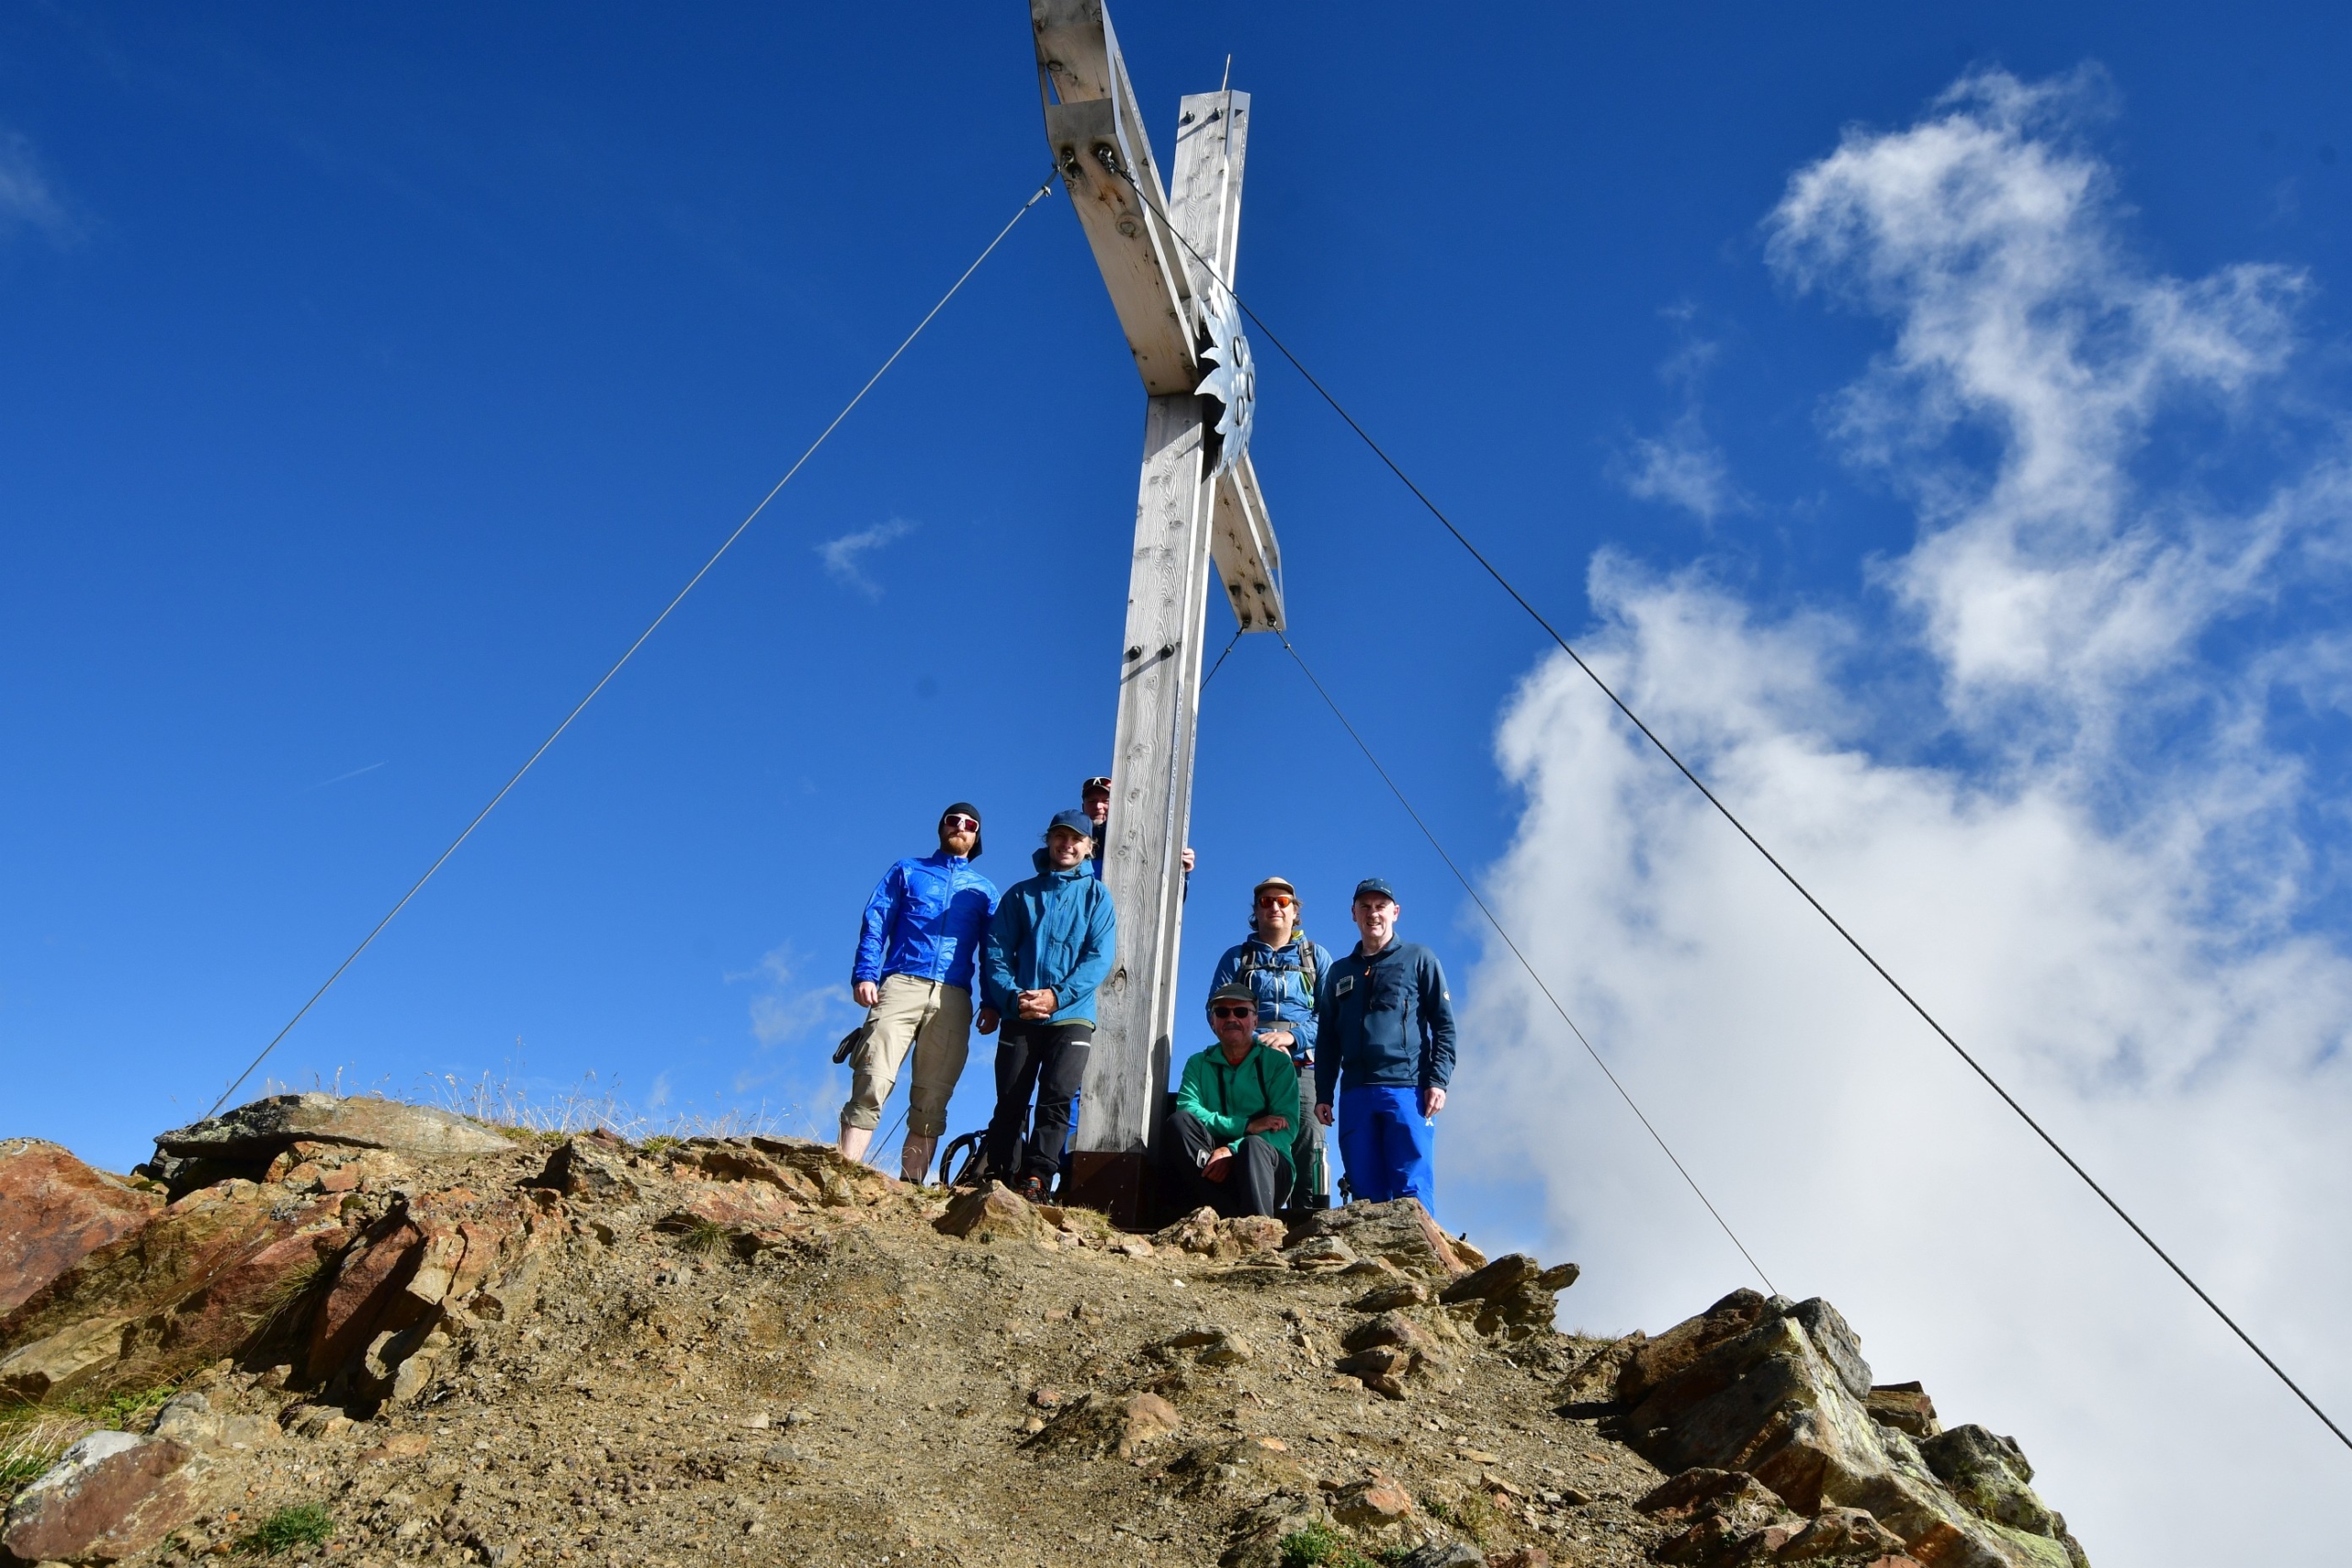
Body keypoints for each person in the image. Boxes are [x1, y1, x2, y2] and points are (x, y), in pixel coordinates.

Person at [841, 804, 1001, 1182]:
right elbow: (876, 919)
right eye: (952, 820)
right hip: (900, 983)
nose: (960, 826)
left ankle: (910, 1189)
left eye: (969, 824)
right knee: (872, 1075)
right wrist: (866, 972)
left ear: (977, 836)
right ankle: (843, 1175)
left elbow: (993, 950)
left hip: (953, 996)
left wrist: (992, 1001)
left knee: (933, 1097)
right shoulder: (907, 870)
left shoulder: (984, 891)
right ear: (941, 827)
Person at [980, 808, 1117, 1201]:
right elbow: (996, 950)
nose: (1067, 844)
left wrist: (1057, 996)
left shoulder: (1097, 896)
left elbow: (1099, 957)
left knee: (1056, 1099)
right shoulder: (1021, 893)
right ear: (1049, 841)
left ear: (1090, 847)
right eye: (1060, 836)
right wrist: (1013, 995)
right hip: (1019, 1011)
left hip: (1072, 1017)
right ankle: (997, 1174)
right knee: (1010, 1099)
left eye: (1077, 838)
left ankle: (1037, 1180)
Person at [1313, 877, 1456, 1216]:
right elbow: (1327, 1040)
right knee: (1365, 1194)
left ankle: (1423, 1264)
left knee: (1412, 1188)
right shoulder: (1338, 973)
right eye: (1365, 907)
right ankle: (1375, 1270)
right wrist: (1323, 1094)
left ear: (1395, 912)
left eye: (1380, 907)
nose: (1373, 914)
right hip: (1355, 1094)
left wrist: (1438, 1080)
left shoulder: (1420, 958)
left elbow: (1444, 1024)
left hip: (1407, 1089)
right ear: (1353, 914)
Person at [1208, 875, 1331, 1211]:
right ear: (1256, 911)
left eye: (1282, 901)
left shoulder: (1316, 957)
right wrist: (1257, 1041)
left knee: (1307, 1135)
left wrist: (1292, 1037)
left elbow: (1332, 1017)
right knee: (1254, 1136)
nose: (1274, 907)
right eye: (1265, 902)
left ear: (1295, 911)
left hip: (1302, 1064)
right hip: (1250, 1065)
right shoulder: (1237, 958)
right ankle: (1256, 1215)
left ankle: (1307, 1224)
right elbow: (1216, 1011)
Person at [1164, 981, 1297, 1218]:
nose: (1231, 1018)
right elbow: (1187, 1108)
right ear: (1213, 1021)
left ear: (1255, 1020)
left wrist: (1233, 1150)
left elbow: (1286, 1127)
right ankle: (1221, 1217)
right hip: (1216, 1171)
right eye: (1222, 1012)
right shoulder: (1198, 1063)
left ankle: (1259, 1233)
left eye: (1241, 1011)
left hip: (1270, 1174)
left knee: (1253, 1146)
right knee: (1179, 1122)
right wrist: (1246, 1125)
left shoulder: (1278, 1064)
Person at [1080, 774, 1193, 886]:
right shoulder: (1070, 842)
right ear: (1083, 806)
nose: (1098, 806)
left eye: (1106, 801)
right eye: (1091, 801)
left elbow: (1161, 890)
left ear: (1118, 805)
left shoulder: (1138, 840)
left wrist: (1182, 872)